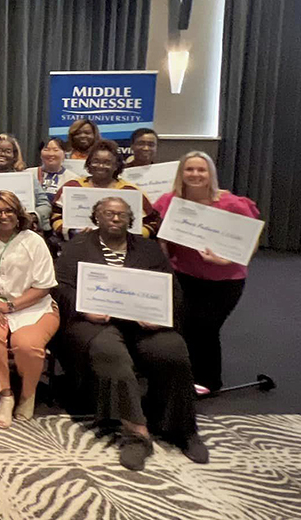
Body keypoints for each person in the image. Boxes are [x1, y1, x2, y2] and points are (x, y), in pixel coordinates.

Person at [54, 197, 207, 470]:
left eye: (121, 215)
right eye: (108, 213)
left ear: (130, 220)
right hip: (95, 322)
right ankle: (136, 433)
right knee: (110, 353)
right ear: (96, 217)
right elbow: (62, 289)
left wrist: (160, 316)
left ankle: (182, 429)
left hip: (144, 323)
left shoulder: (148, 249)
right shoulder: (77, 248)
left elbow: (171, 290)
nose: (115, 219)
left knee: (172, 350)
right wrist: (84, 310)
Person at [152, 152, 260, 396]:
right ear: (181, 173)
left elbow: (250, 240)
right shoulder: (169, 201)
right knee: (184, 324)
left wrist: (225, 259)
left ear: (211, 173)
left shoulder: (232, 204)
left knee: (206, 326)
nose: (195, 175)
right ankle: (183, 374)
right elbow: (159, 236)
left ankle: (209, 380)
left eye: (201, 170)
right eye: (189, 169)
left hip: (225, 280)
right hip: (184, 274)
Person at [0, 191, 60, 428]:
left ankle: (27, 394)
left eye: (9, 210)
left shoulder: (34, 241)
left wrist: (9, 306)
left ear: (19, 214)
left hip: (32, 307)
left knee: (26, 345)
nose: (3, 215)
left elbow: (44, 286)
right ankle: (5, 395)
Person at [51, 139, 160, 239]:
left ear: (116, 166)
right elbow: (55, 216)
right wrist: (71, 232)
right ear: (88, 164)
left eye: (107, 163)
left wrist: (130, 236)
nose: (100, 166)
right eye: (96, 161)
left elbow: (151, 223)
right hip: (78, 245)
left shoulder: (131, 191)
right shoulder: (72, 186)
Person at [29, 137, 79, 205]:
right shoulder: (29, 174)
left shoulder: (73, 179)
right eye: (46, 150)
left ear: (64, 153)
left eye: (56, 150)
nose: (51, 154)